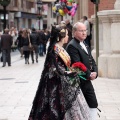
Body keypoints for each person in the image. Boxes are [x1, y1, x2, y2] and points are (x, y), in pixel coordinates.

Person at [28, 24, 91, 120]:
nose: (68, 36)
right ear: (60, 37)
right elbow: (53, 68)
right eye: (66, 35)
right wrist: (67, 73)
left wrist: (72, 71)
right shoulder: (54, 49)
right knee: (56, 108)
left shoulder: (61, 48)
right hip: (56, 84)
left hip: (65, 81)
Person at [66, 22, 98, 120]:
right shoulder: (72, 45)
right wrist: (89, 74)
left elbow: (91, 60)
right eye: (81, 31)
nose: (84, 33)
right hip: (79, 81)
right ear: (74, 32)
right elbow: (77, 63)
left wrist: (95, 72)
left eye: (85, 30)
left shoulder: (84, 43)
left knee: (92, 103)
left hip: (86, 80)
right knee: (81, 107)